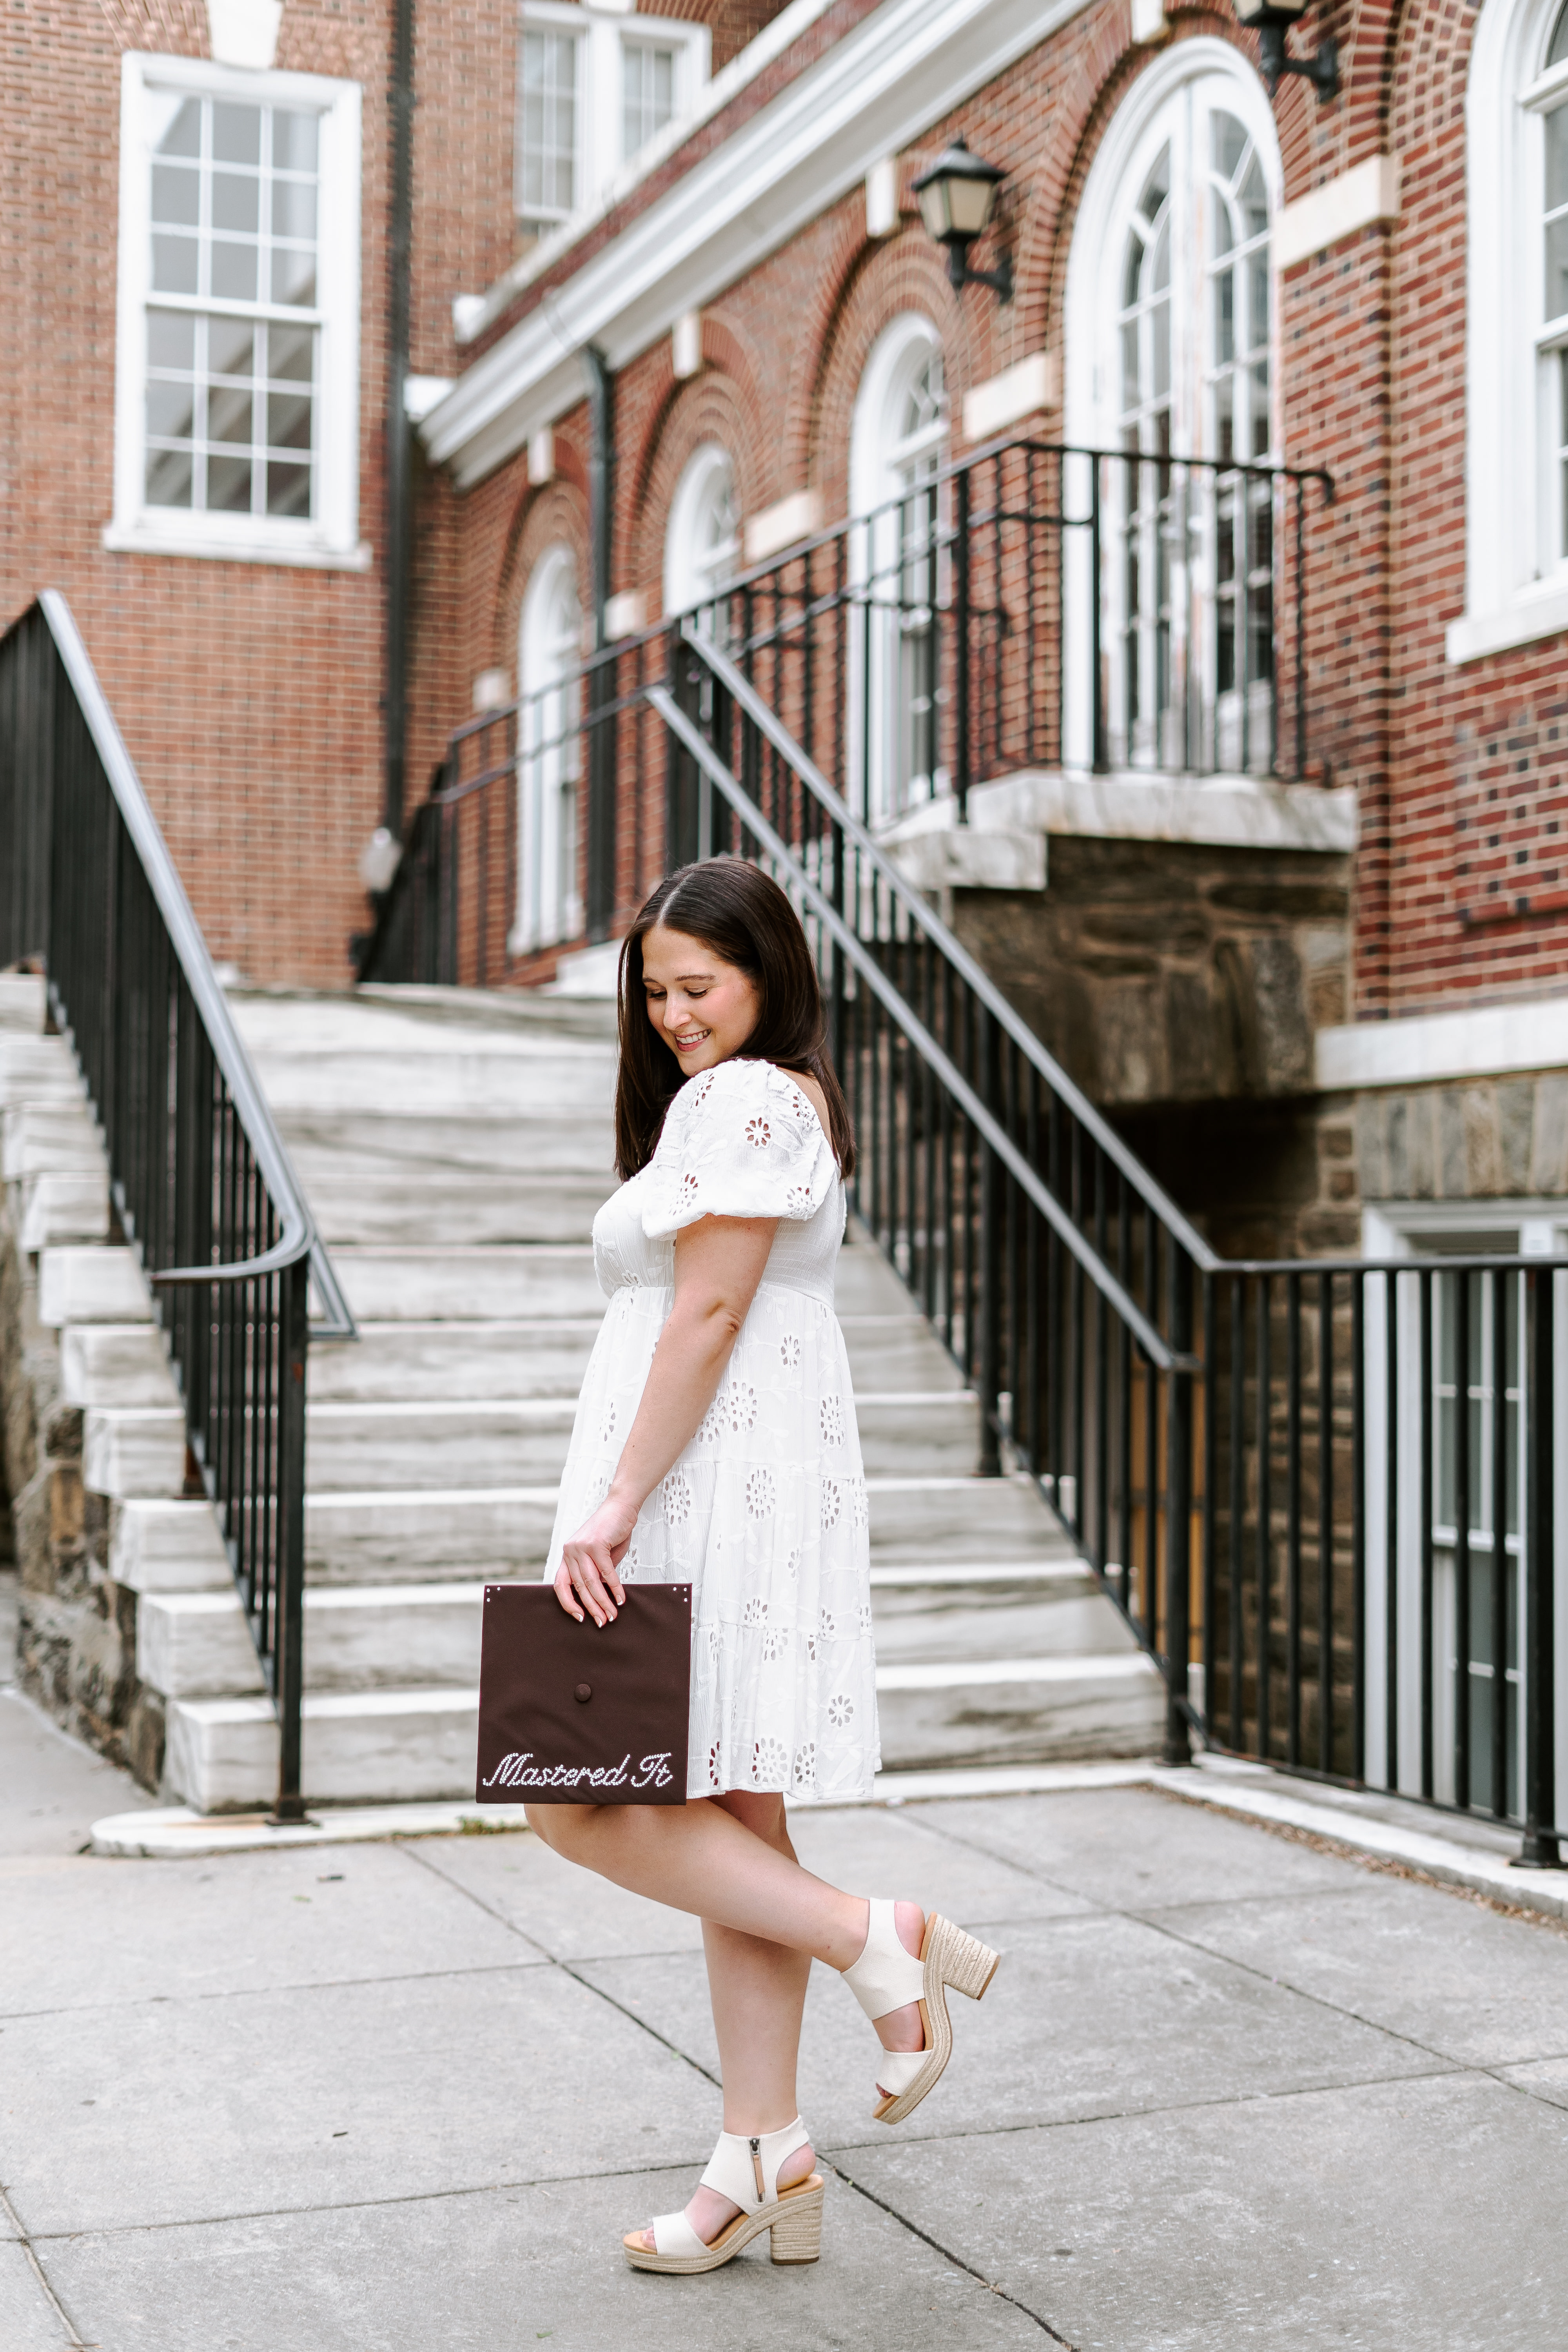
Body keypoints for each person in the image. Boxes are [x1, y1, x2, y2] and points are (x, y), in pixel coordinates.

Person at [526, 856, 1000, 2276]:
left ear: (768, 975)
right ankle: (763, 2152)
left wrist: (612, 1505)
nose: (674, 1014)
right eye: (656, 990)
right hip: (733, 1477)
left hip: (702, 1487)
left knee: (577, 1801)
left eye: (699, 986)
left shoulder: (742, 1098)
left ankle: (879, 1935)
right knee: (738, 1827)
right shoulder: (769, 1097)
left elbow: (711, 1309)